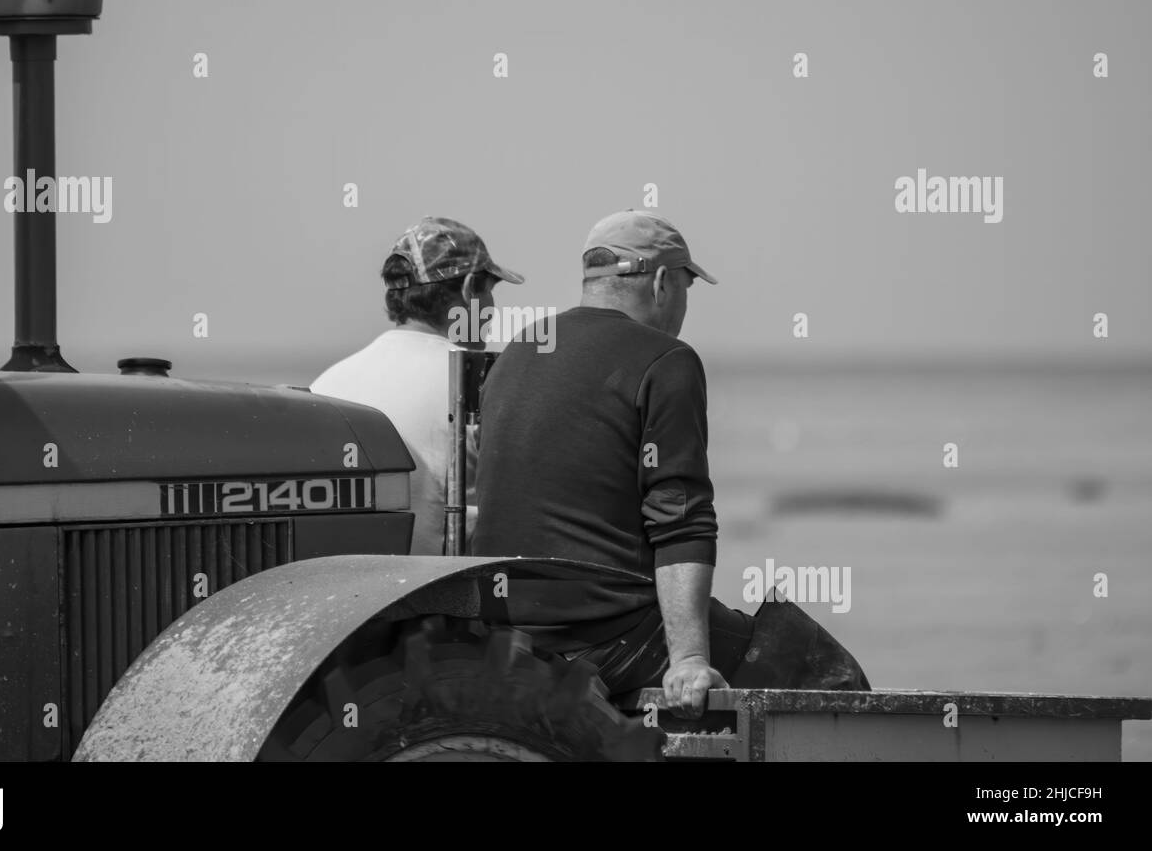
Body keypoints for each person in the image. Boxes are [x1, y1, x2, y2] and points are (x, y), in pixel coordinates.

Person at [471, 210, 867, 718]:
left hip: (510, 629)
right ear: (661, 282)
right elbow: (680, 517)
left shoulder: (518, 350)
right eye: (687, 288)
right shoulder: (666, 359)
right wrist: (689, 658)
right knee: (820, 666)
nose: (684, 306)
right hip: (606, 632)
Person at [309, 217, 523, 555]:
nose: (493, 311)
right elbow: (523, 504)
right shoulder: (482, 379)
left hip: (345, 590)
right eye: (490, 291)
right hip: (437, 594)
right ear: (469, 289)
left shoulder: (328, 382)